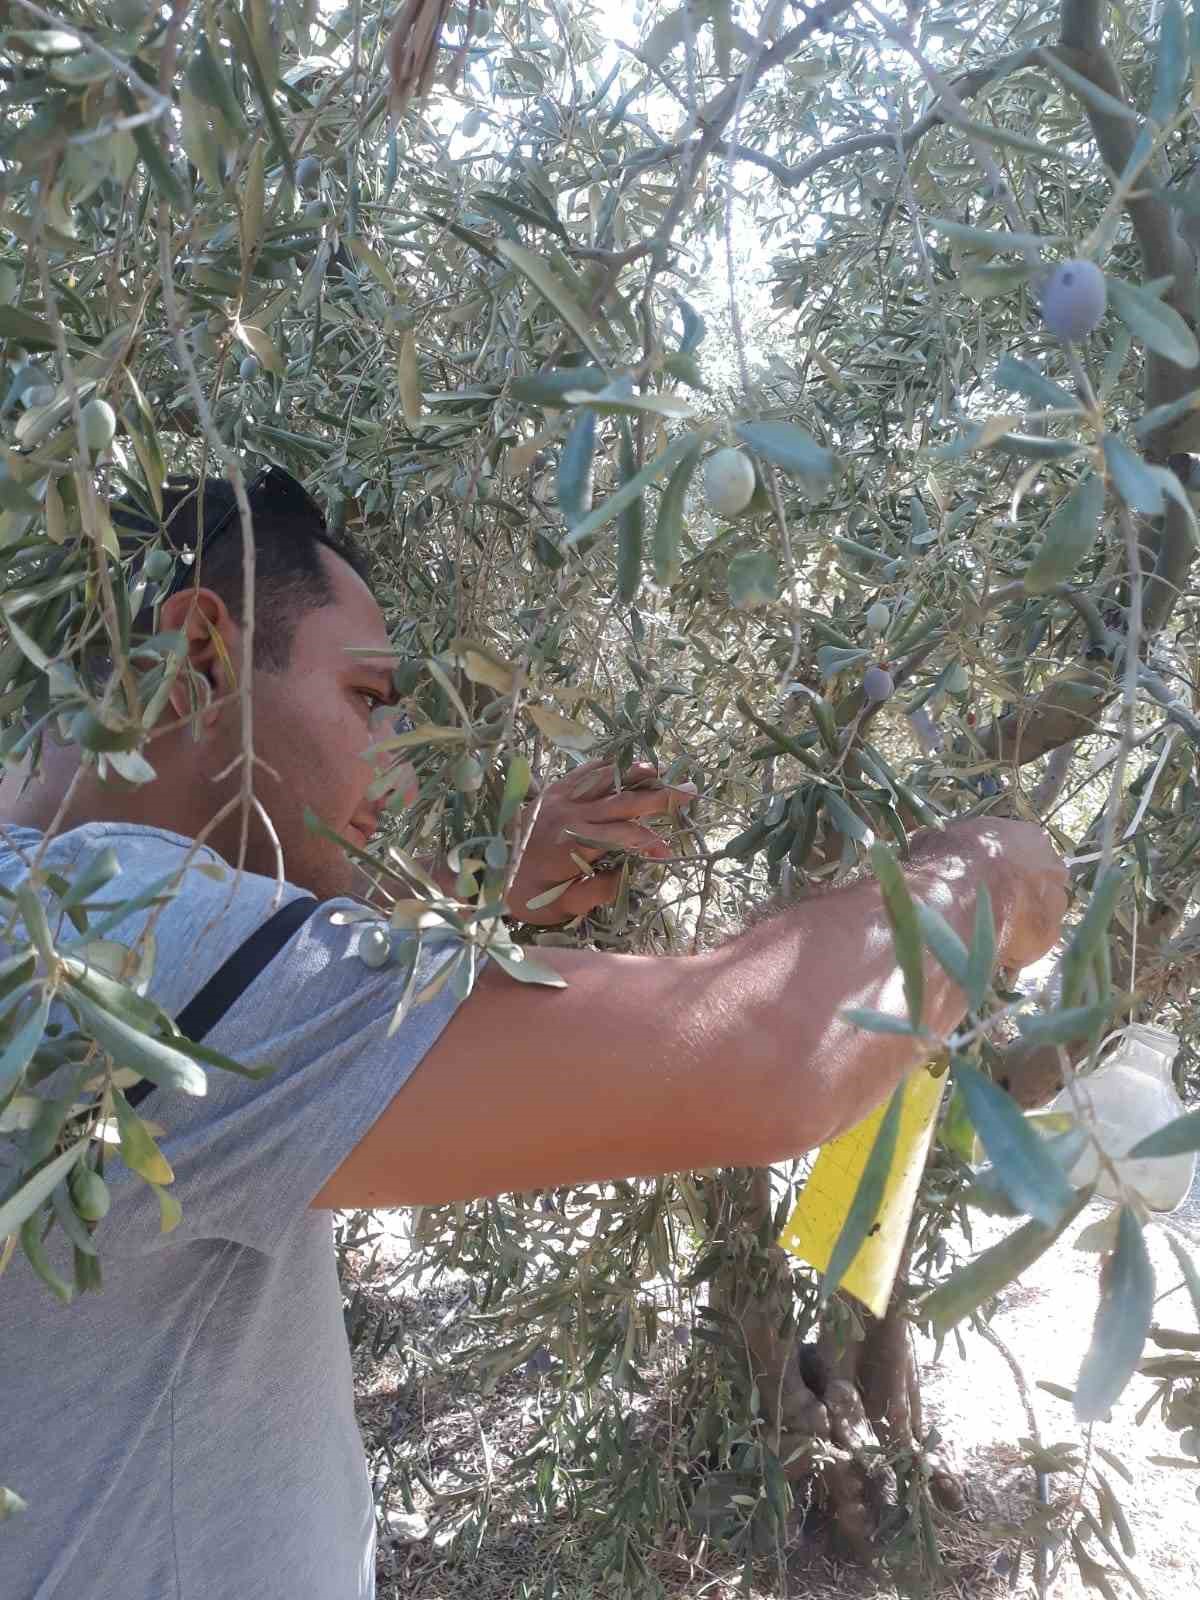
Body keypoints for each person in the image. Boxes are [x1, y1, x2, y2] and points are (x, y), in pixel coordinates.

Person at [0, 470, 1068, 1599]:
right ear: (200, 652)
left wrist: (488, 901)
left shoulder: (53, 920)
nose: (399, 750)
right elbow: (776, 1057)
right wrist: (981, 878)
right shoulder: (134, 954)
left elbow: (260, 1048)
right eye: (370, 698)